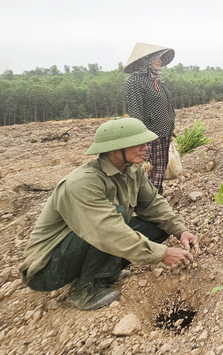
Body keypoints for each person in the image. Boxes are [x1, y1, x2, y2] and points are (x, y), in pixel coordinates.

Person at [19, 117, 199, 311]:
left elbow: (153, 204)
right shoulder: (82, 183)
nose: (146, 147)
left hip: (92, 239)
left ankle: (105, 274)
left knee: (158, 227)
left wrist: (180, 230)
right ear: (114, 149)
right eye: (138, 143)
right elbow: (107, 231)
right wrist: (161, 254)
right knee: (117, 217)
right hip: (48, 267)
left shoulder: (133, 170)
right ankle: (83, 290)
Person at [124, 42, 176, 195]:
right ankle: (150, 206)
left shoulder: (157, 79)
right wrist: (141, 139)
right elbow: (136, 112)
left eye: (160, 58)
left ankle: (156, 200)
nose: (160, 61)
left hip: (164, 132)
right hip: (151, 135)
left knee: (159, 170)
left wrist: (171, 125)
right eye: (156, 58)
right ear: (145, 61)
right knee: (151, 172)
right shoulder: (134, 81)